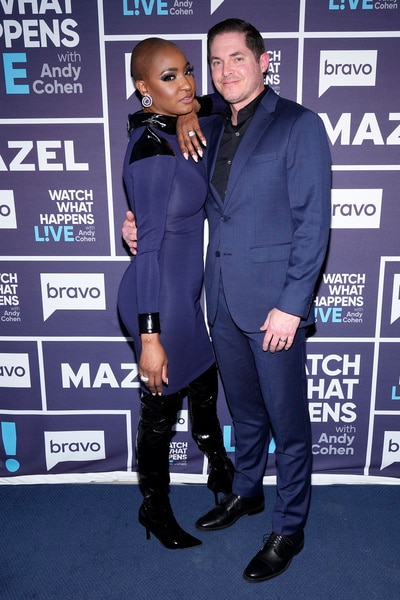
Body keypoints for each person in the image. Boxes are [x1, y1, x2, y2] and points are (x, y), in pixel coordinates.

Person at [123, 18, 331, 581]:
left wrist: (292, 305)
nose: (224, 71)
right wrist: (137, 217)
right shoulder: (208, 124)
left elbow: (314, 225)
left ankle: (288, 529)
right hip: (220, 303)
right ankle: (248, 492)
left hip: (274, 309)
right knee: (246, 411)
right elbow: (146, 124)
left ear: (264, 62)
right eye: (214, 62)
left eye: (237, 58)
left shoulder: (299, 124)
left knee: (287, 422)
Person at [117, 37, 233, 551]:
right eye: (169, 78)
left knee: (206, 396)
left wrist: (188, 113)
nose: (186, 83)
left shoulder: (184, 125)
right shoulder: (148, 149)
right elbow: (146, 253)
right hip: (155, 302)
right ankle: (155, 506)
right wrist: (149, 338)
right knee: (160, 413)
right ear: (143, 89)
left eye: (188, 71)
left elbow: (222, 101)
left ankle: (224, 481)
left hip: (183, 300)